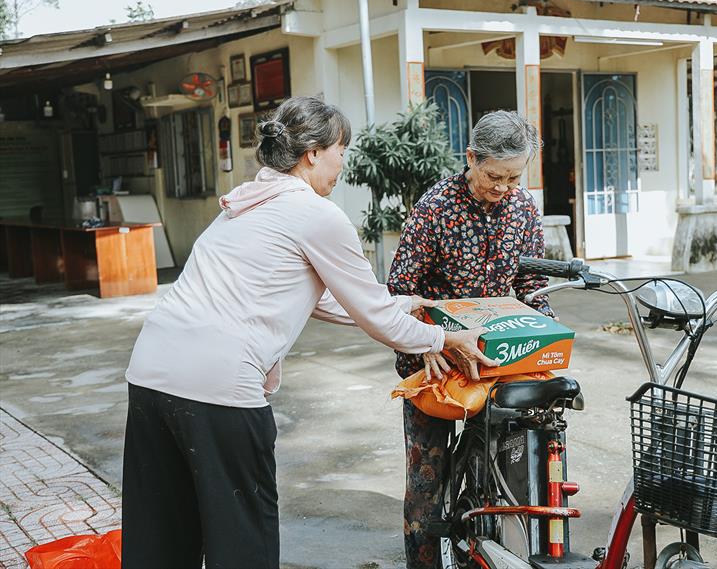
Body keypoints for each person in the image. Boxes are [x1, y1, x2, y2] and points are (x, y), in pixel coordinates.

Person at [121, 96, 495, 569]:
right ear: (314, 153)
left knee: (161, 536)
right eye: (342, 149)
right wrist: (442, 339)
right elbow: (372, 316)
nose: (343, 162)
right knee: (241, 537)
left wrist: (402, 304)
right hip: (219, 387)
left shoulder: (245, 202)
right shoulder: (317, 215)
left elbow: (327, 298)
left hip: (151, 374)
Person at [387, 110, 554, 568]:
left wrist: (547, 338)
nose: (503, 188)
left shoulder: (522, 209)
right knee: (428, 476)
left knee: (519, 461)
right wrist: (424, 341)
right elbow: (399, 290)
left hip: (498, 358)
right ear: (471, 158)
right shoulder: (435, 207)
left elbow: (531, 291)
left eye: (513, 177)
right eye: (494, 176)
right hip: (436, 361)